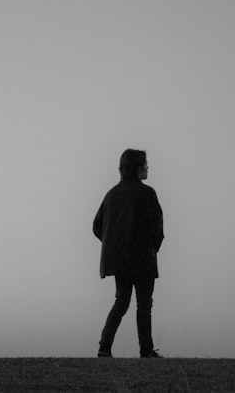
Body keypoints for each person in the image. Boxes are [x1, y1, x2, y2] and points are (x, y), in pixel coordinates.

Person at [93, 148, 164, 358]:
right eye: (145, 164)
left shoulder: (111, 195)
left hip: (120, 260)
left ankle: (104, 347)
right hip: (143, 258)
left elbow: (97, 226)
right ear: (137, 168)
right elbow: (158, 228)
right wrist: (152, 248)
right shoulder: (147, 193)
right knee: (144, 304)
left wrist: (114, 244)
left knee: (121, 301)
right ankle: (146, 350)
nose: (148, 167)